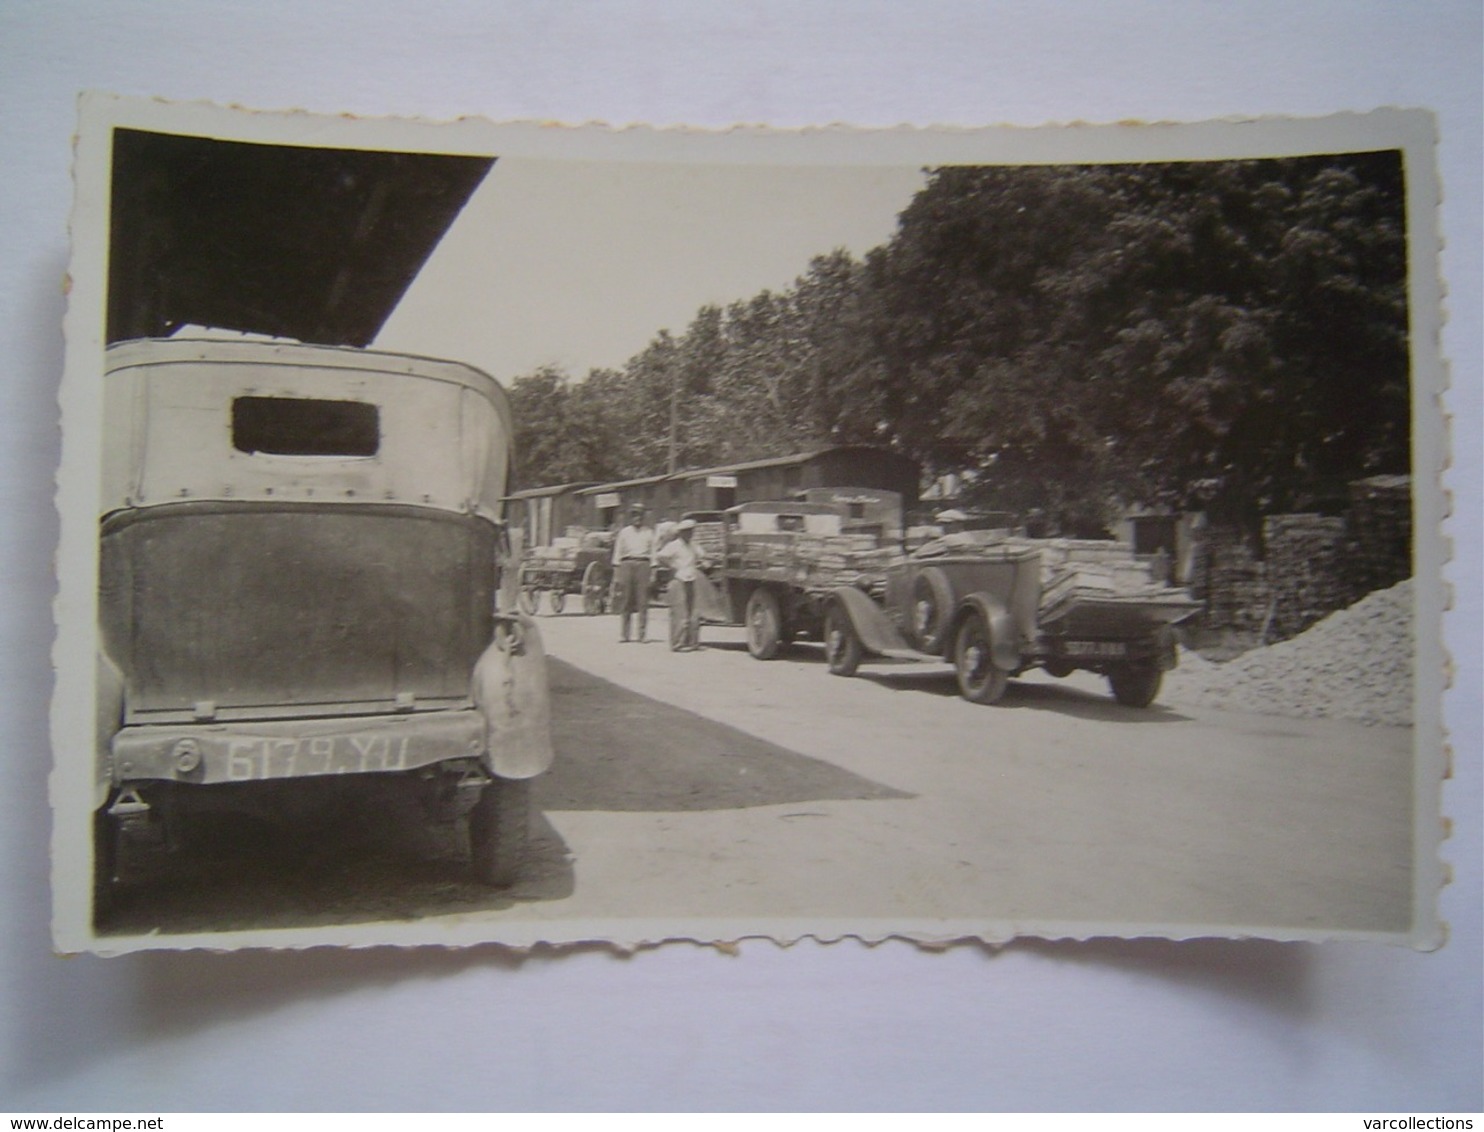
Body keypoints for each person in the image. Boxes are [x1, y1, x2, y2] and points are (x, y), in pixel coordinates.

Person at [655, 518, 709, 651]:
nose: (689, 534)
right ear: (681, 532)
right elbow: (660, 556)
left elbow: (703, 556)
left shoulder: (693, 545)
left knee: (694, 611)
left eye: (691, 531)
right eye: (686, 532)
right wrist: (671, 566)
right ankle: (677, 643)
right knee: (679, 612)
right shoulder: (674, 545)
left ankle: (692, 642)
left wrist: (704, 562)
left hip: (691, 578)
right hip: (678, 579)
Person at [610, 504, 656, 642]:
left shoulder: (649, 532)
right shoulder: (624, 532)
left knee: (642, 601)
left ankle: (641, 635)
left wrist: (653, 572)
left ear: (643, 517)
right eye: (635, 515)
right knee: (626, 600)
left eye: (640, 515)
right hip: (627, 564)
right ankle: (625, 634)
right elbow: (617, 553)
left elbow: (653, 553)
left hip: (643, 564)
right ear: (631, 517)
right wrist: (617, 574)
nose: (638, 518)